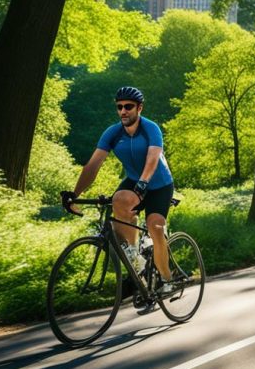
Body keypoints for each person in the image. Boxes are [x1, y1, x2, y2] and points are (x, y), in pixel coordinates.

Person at [62, 86, 177, 295]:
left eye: (128, 107)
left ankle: (167, 279)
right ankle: (137, 262)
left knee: (155, 226)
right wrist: (74, 194)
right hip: (134, 180)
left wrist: (143, 183)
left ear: (139, 108)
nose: (123, 111)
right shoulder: (113, 133)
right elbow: (93, 164)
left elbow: (152, 159)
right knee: (119, 200)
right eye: (119, 107)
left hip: (159, 185)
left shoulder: (150, 129)